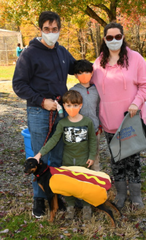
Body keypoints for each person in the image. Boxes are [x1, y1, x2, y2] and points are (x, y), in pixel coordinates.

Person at [12, 11, 76, 218]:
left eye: (55, 29)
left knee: (57, 154)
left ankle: (55, 194)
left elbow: (78, 67)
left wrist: (104, 64)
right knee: (41, 155)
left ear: (59, 30)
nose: (51, 33)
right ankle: (39, 198)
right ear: (40, 30)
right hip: (40, 110)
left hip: (60, 109)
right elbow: (18, 84)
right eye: (47, 29)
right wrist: (41, 100)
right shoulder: (29, 53)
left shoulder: (62, 52)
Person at [91, 22, 146, 210]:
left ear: (123, 37)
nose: (114, 40)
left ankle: (135, 196)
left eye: (118, 36)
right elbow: (93, 91)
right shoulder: (98, 63)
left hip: (130, 120)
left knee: (132, 159)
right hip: (109, 122)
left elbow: (145, 85)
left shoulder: (135, 58)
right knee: (116, 159)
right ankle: (119, 193)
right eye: (110, 37)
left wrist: (136, 102)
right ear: (104, 40)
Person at [34, 90, 97, 220]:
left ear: (80, 105)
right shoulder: (62, 123)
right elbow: (53, 140)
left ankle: (86, 207)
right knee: (68, 184)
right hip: (67, 160)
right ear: (63, 106)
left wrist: (91, 156)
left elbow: (92, 140)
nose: (72, 108)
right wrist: (40, 153)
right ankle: (70, 207)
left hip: (83, 160)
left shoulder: (87, 122)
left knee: (84, 183)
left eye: (75, 105)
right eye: (68, 105)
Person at [70, 59, 101, 171]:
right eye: (80, 72)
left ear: (92, 73)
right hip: (78, 130)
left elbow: (98, 108)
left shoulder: (97, 90)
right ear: (75, 75)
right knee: (80, 157)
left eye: (87, 72)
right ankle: (82, 182)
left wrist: (100, 124)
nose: (84, 75)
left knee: (95, 156)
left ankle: (96, 180)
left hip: (95, 129)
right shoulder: (73, 91)